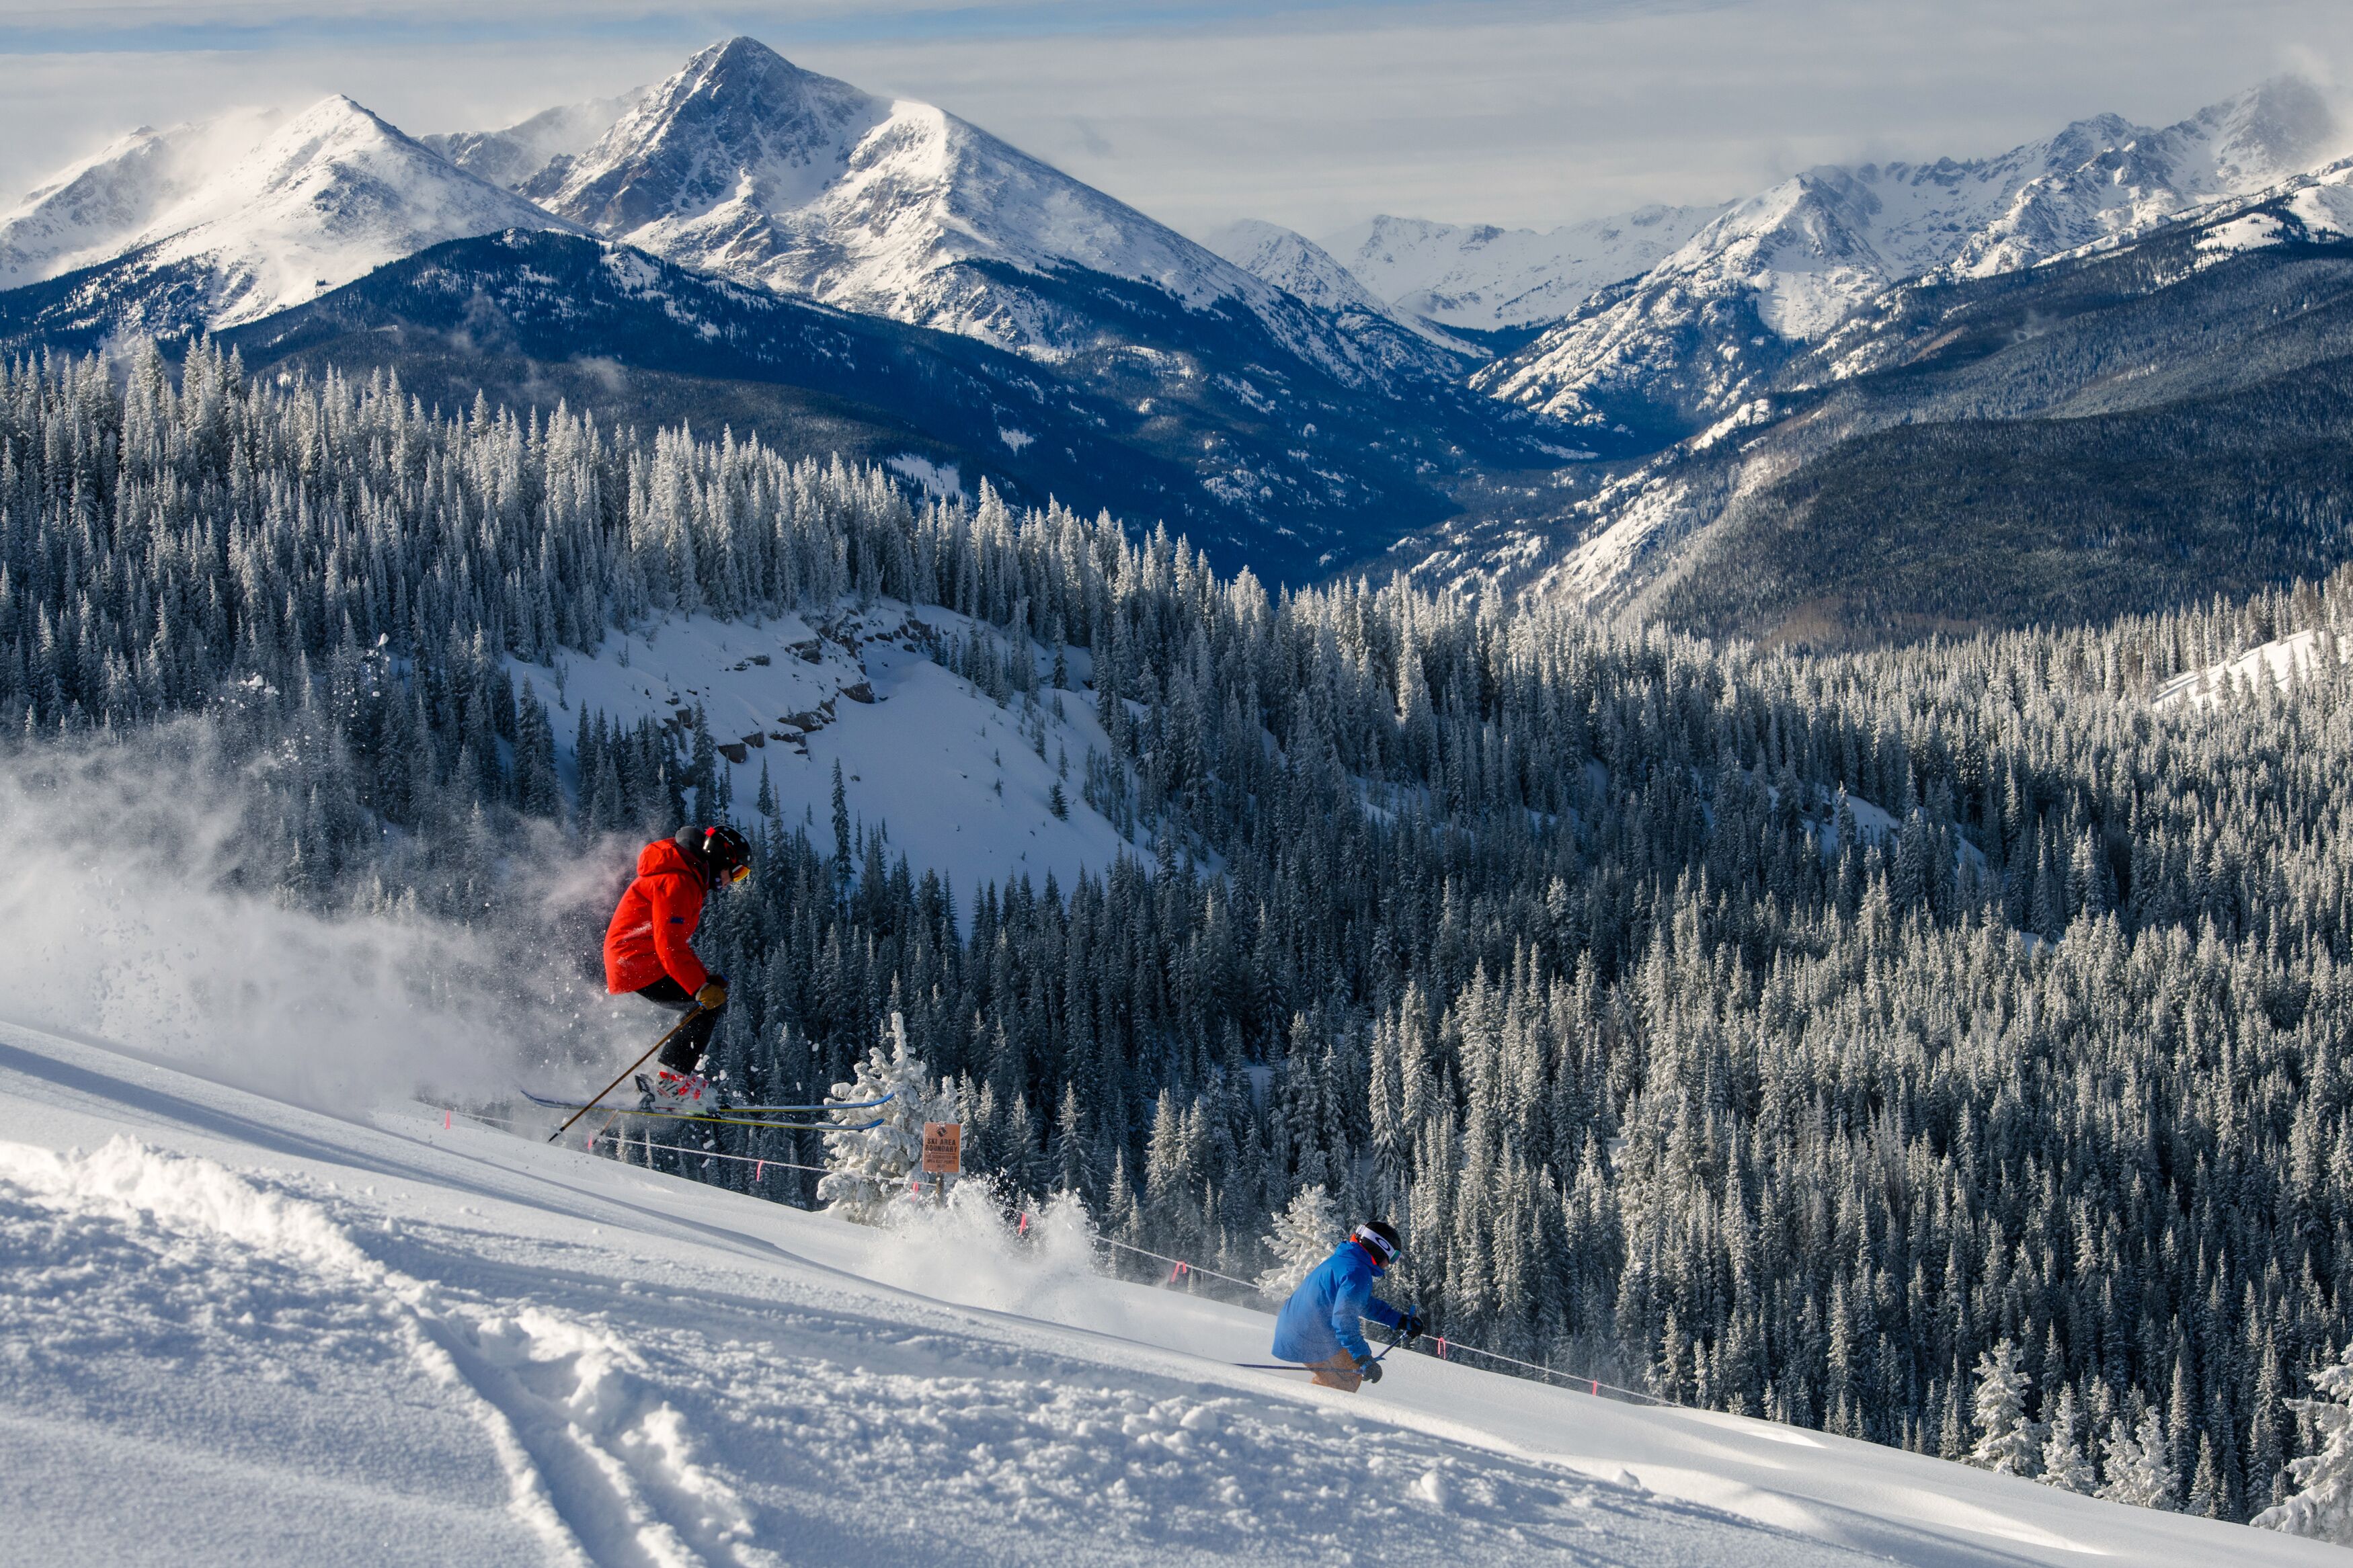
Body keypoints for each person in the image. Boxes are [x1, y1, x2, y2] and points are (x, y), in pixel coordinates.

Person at [602, 825, 752, 1103]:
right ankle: (669, 1084)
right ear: (721, 857)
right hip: (636, 961)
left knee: (703, 1004)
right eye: (737, 872)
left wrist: (704, 979)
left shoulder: (686, 877)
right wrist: (700, 988)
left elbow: (675, 944)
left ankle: (669, 1079)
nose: (733, 881)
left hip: (639, 958)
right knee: (704, 1007)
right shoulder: (679, 882)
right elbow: (669, 945)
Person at [1271, 1220, 1425, 1391]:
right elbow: (1344, 1321)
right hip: (1308, 1337)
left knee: (1346, 1376)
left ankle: (1306, 1401)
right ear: (1380, 1248)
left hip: (1297, 1330)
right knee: (1346, 1381)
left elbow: (1360, 1303)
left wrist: (1399, 1320)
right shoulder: (1357, 1272)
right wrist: (1363, 1357)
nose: (1390, 1264)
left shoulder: (1346, 1260)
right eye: (1393, 1257)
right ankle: (1306, 1406)